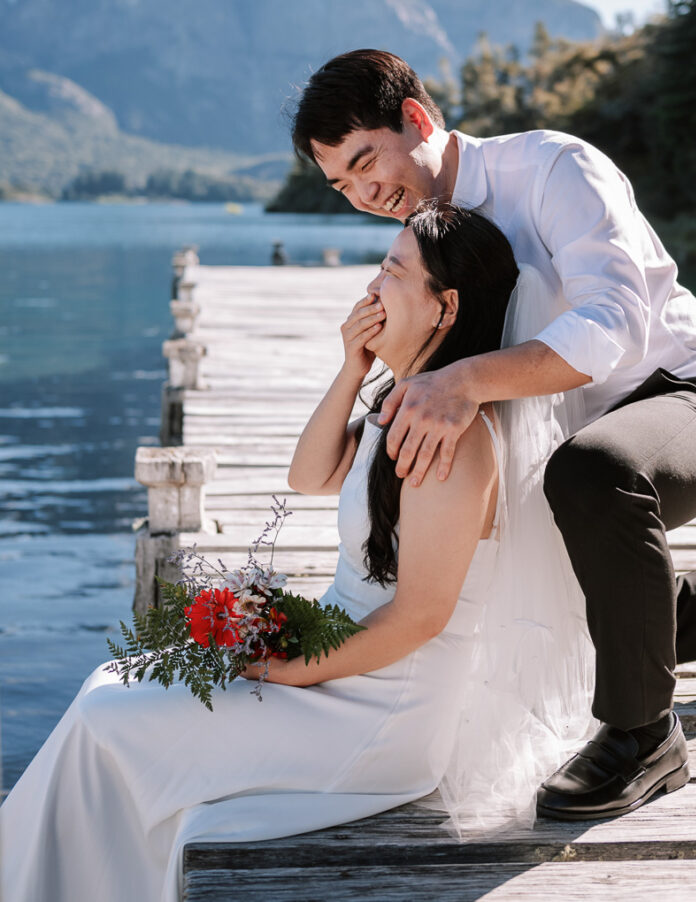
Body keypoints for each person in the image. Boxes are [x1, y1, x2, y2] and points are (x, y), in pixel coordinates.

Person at [2, 204, 561, 902]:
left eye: (392, 272)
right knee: (107, 687)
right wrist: (352, 368)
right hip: (342, 661)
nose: (371, 288)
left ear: (445, 307)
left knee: (104, 721)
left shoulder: (454, 439)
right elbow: (310, 474)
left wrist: (293, 670)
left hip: (383, 707)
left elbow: (420, 616)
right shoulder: (405, 404)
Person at [291, 48, 696, 821]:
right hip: (555, 440)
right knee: (521, 585)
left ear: (417, 118)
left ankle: (644, 735)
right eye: (343, 185)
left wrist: (461, 383)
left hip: (685, 396)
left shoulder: (553, 169)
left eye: (367, 161)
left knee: (590, 475)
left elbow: (614, 322)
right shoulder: (429, 240)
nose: (366, 195)